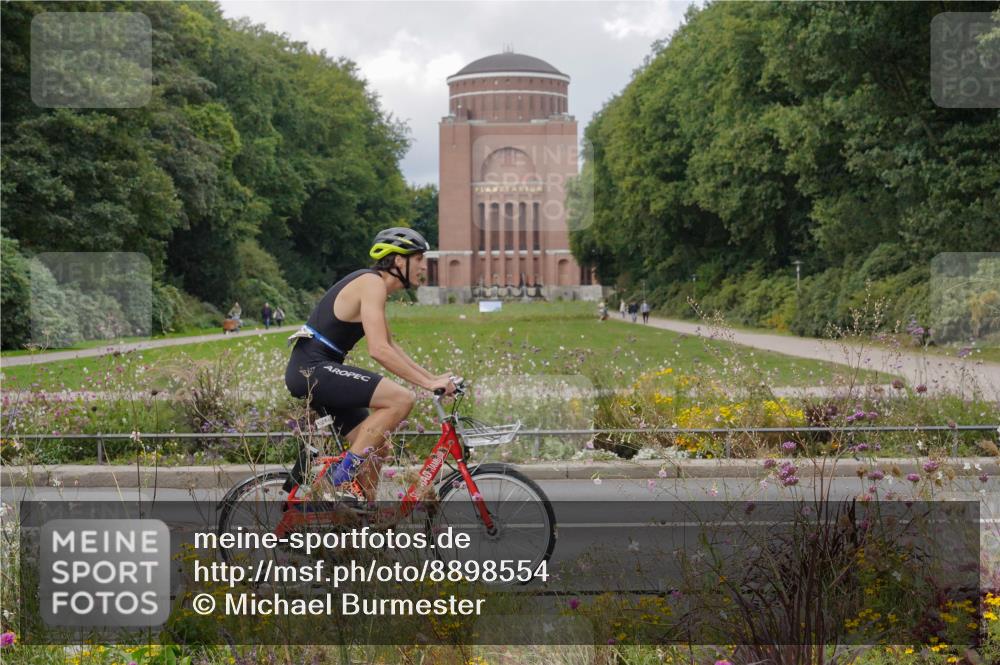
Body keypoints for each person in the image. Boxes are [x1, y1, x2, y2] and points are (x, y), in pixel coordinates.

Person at [285, 227, 456, 504]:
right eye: (419, 258)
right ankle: (335, 482)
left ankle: (357, 519)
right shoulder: (371, 283)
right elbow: (378, 350)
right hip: (311, 370)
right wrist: (427, 384)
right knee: (401, 399)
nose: (424, 266)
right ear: (399, 260)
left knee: (377, 450)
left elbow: (390, 345)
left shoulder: (375, 287)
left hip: (318, 370)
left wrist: (432, 377)